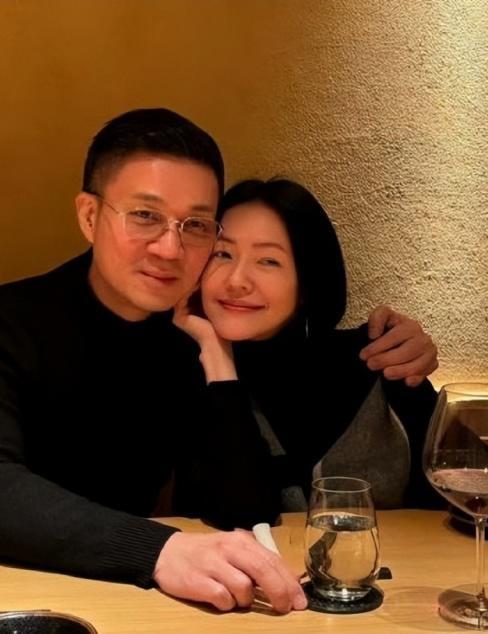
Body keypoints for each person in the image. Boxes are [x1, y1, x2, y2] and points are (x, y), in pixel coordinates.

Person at [0, 109, 438, 613]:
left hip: (119, 594)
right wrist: (160, 551)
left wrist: (216, 359)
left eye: (195, 225)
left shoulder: (190, 337)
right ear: (90, 216)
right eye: (145, 215)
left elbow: (243, 504)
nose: (170, 248)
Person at [173, 178, 441, 524]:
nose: (236, 280)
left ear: (307, 284)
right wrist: (217, 357)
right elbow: (243, 516)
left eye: (268, 261)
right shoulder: (187, 375)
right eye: (222, 254)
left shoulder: (382, 359)